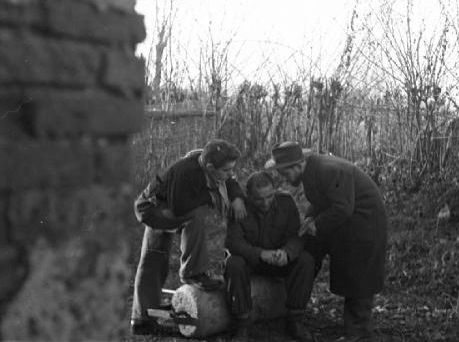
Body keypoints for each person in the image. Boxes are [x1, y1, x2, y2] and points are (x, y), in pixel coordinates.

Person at [269, 141, 388, 342]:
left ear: (297, 166)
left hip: (364, 225)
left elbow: (342, 208)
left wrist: (317, 225)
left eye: (285, 173)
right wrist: (309, 217)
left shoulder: (328, 170)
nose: (284, 179)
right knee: (309, 252)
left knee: (358, 276)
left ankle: (358, 332)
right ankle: (293, 303)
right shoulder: (311, 170)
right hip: (346, 223)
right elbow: (322, 200)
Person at [130, 139, 247, 335]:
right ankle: (192, 272)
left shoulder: (209, 162)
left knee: (155, 258)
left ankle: (142, 317)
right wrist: (209, 198)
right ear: (210, 167)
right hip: (151, 208)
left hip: (165, 205)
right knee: (194, 215)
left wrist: (236, 197)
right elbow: (180, 207)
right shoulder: (185, 172)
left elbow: (231, 181)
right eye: (225, 170)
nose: (229, 174)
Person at [224, 171, 315, 342]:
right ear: (249, 195)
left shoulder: (286, 202)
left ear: (275, 190)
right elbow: (233, 242)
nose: (265, 203)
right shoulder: (239, 206)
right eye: (259, 199)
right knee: (233, 263)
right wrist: (259, 254)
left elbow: (296, 235)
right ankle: (242, 324)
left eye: (270, 196)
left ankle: (295, 320)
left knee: (306, 260)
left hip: (278, 261)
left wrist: (287, 253)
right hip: (252, 262)